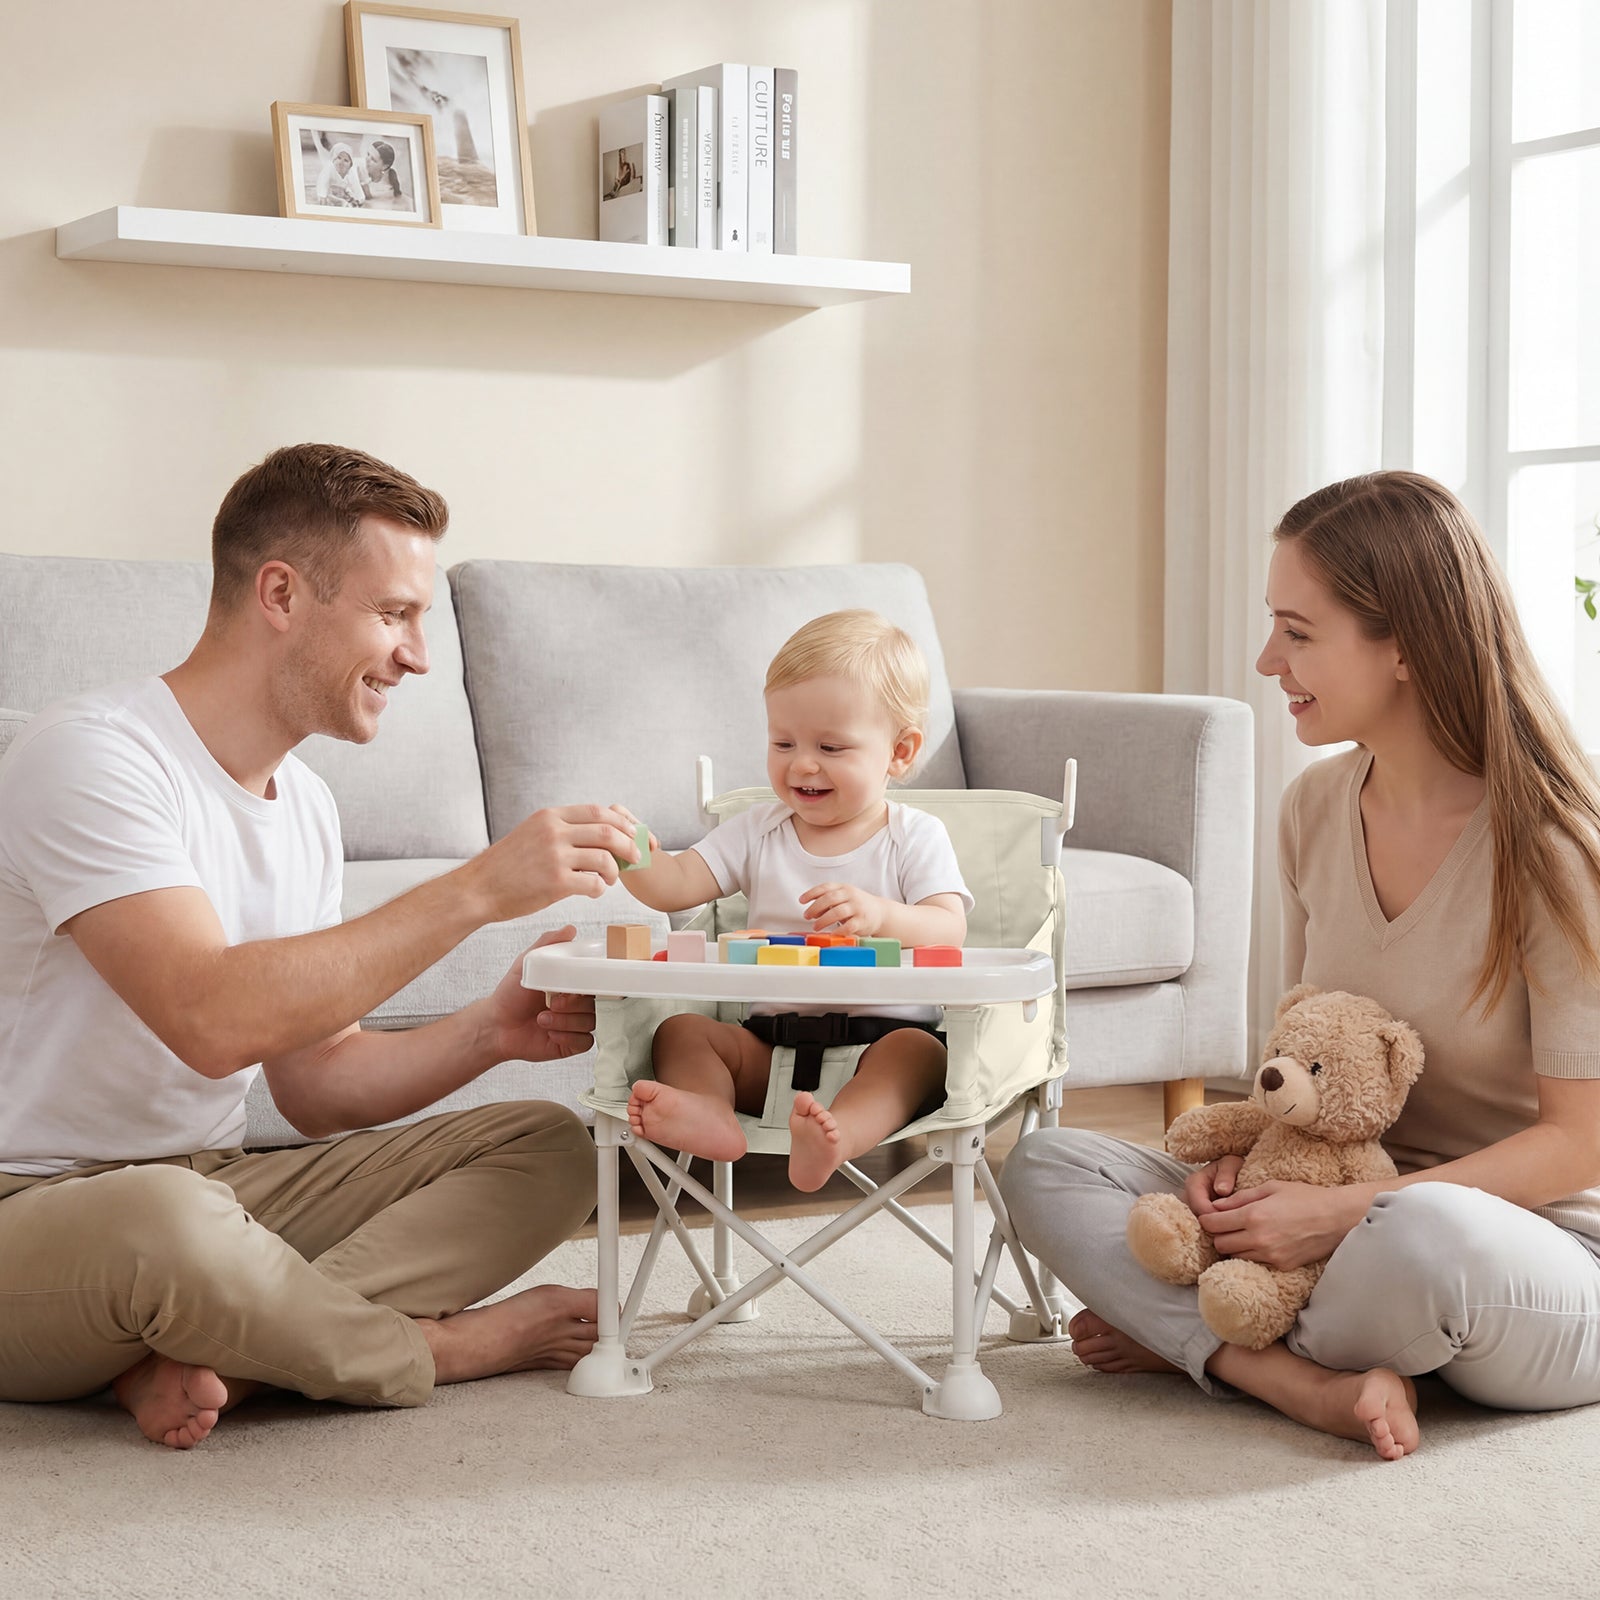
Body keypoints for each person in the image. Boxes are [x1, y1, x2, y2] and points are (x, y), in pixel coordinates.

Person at [0, 443, 646, 1450]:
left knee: (547, 1145)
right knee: (171, 1223)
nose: (419, 656)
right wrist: (474, 889)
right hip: (35, 1211)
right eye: (394, 615)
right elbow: (210, 1020)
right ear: (281, 593)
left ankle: (226, 1355)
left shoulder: (303, 802)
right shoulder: (90, 755)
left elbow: (315, 1082)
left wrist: (489, 1032)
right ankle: (427, 1349)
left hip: (212, 1189)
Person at [1001, 470, 1600, 1460]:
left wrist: (1336, 1214)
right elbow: (1305, 1069)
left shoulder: (1552, 848)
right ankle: (1291, 1377)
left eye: (1297, 630)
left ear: (1401, 641)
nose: (1266, 658)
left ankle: (1197, 1336)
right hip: (1343, 1207)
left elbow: (1581, 1143)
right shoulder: (1312, 811)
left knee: (1424, 1236)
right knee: (1046, 1161)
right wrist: (1249, 1173)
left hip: (1527, 1249)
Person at [620, 610, 973, 1192]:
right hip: (768, 1049)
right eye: (782, 741)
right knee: (681, 1032)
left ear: (900, 752)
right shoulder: (758, 830)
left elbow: (947, 928)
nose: (801, 763)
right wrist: (632, 853)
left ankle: (840, 1137)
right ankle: (710, 1110)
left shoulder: (914, 835)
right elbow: (677, 881)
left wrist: (882, 915)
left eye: (831, 746)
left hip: (881, 1043)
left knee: (923, 1057)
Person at [314, 142, 365, 207]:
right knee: (329, 198)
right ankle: (341, 202)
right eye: (339, 158)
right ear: (334, 159)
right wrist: (322, 196)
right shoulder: (329, 168)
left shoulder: (351, 172)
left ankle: (345, 201)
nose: (341, 162)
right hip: (328, 190)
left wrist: (359, 199)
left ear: (350, 165)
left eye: (346, 160)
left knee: (349, 194)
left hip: (342, 190)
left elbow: (356, 186)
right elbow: (323, 182)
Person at [363, 140, 405, 207]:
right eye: (368, 154)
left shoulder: (385, 191)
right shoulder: (365, 179)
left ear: (385, 166)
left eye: (373, 159)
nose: (367, 159)